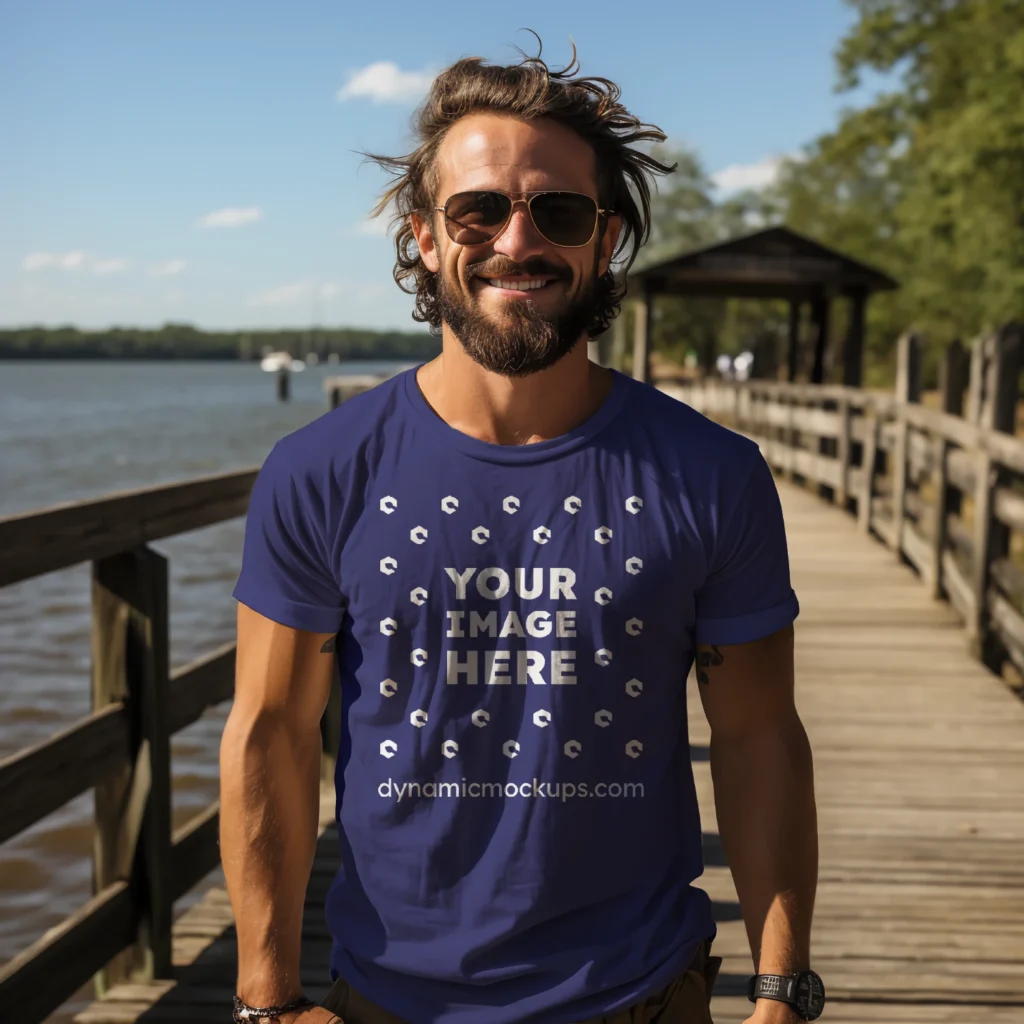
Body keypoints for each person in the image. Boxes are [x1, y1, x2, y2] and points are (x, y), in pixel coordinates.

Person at [223, 37, 821, 1024]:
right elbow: (271, 735)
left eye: (558, 210)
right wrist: (264, 999)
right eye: (478, 209)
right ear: (422, 234)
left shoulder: (712, 476)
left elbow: (758, 735)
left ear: (605, 236)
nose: (516, 240)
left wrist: (782, 989)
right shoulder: (321, 471)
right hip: (386, 998)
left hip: (637, 993)